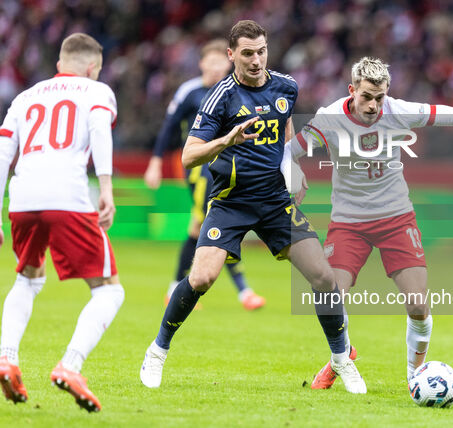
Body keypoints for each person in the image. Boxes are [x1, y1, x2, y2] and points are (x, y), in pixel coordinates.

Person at [140, 20, 366, 394]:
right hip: (231, 202)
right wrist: (225, 141)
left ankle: (341, 359)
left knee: (325, 277)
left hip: (275, 201)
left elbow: (285, 130)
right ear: (232, 56)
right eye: (247, 53)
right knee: (201, 279)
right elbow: (189, 154)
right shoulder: (220, 98)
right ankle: (158, 350)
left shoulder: (286, 87)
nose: (256, 59)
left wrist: (292, 169)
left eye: (261, 50)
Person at [286, 57, 453, 390]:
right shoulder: (329, 119)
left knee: (418, 304)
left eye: (379, 97)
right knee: (331, 296)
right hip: (348, 222)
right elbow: (288, 151)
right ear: (352, 90)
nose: (373, 105)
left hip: (395, 218)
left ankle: (415, 376)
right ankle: (342, 356)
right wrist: (296, 173)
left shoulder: (399, 111)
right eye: (366, 96)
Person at [0, 33, 124, 412]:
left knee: (28, 278)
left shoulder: (25, 97)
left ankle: (6, 358)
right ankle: (71, 365)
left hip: (22, 199)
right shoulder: (96, 91)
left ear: (59, 64)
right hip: (67, 196)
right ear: (93, 68)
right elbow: (101, 131)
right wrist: (105, 187)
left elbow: (3, 152)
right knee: (109, 290)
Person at [144, 39, 265, 311]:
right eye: (209, 62)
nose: (214, 67)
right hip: (201, 171)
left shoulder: (236, 90)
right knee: (220, 221)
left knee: (199, 227)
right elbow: (169, 128)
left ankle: (174, 288)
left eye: (219, 62)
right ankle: (244, 291)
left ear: (229, 61)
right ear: (200, 64)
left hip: (231, 166)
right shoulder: (190, 92)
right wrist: (155, 163)